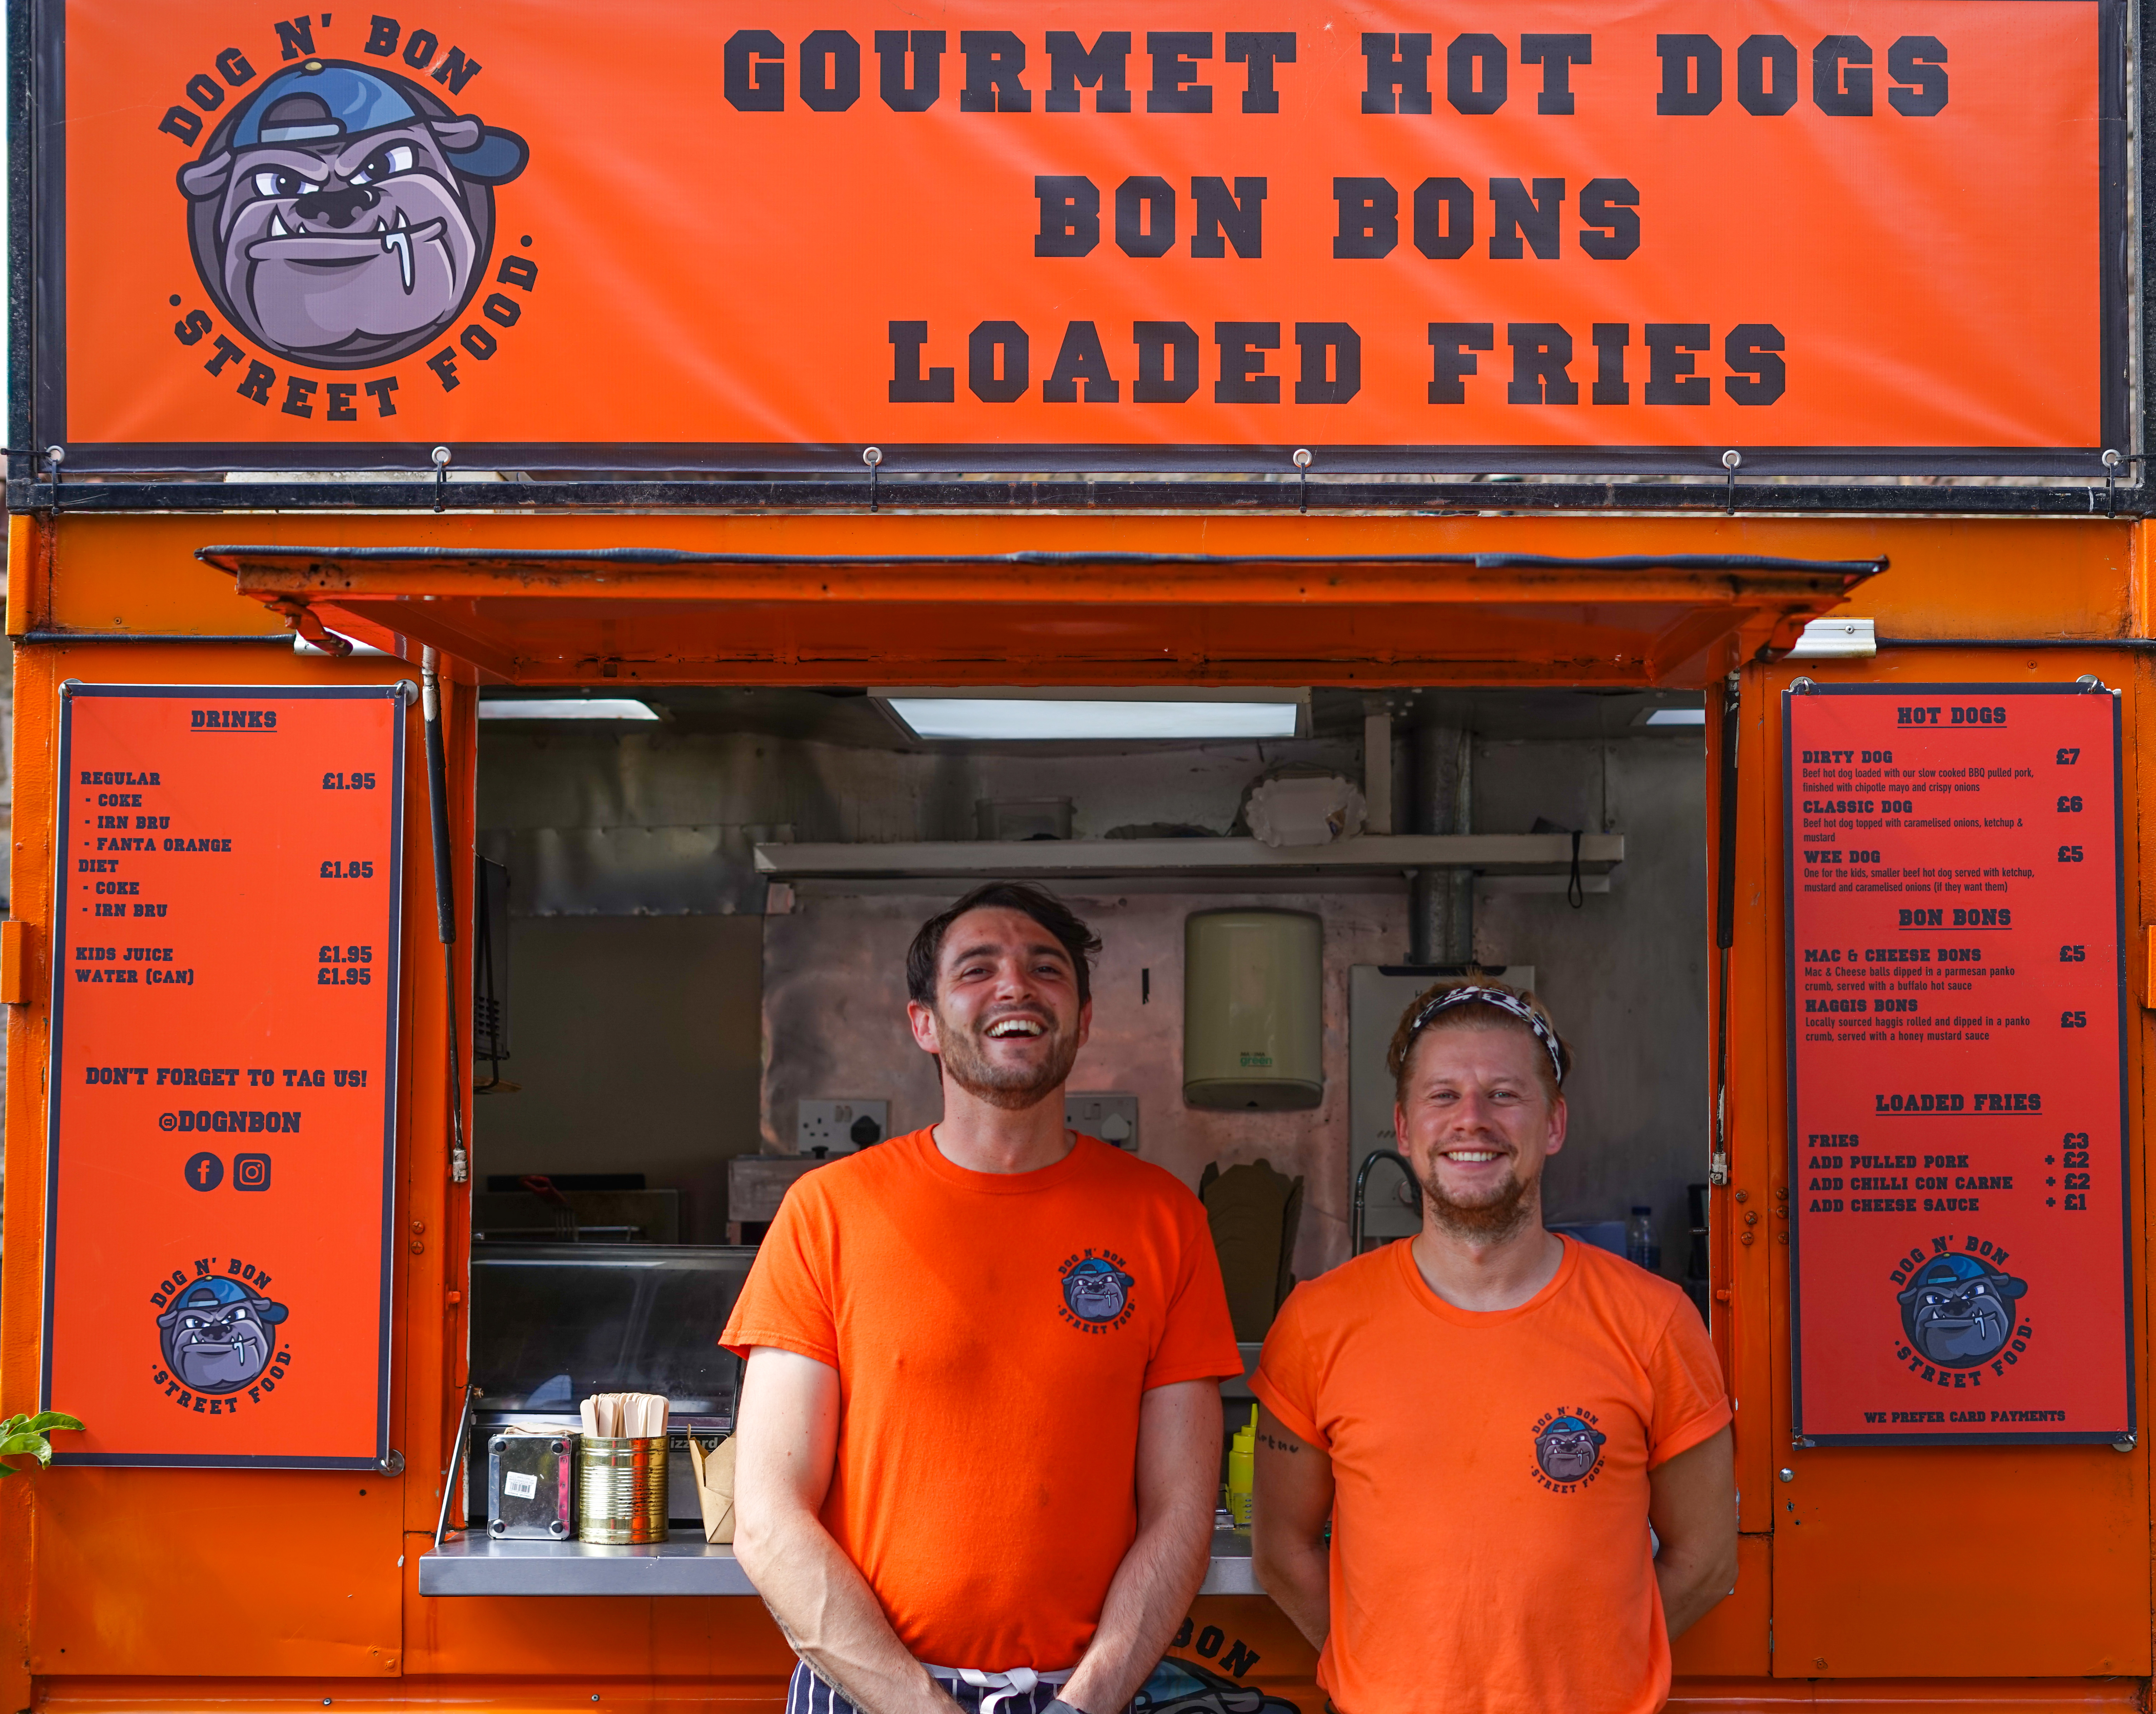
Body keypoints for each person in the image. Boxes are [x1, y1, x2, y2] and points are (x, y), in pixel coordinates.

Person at [725, 881, 1243, 1714]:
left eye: (1046, 968)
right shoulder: (826, 1212)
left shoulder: (1164, 1219)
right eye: (976, 969)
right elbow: (768, 1518)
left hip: (1086, 1696)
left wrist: (1082, 1705)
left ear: (1082, 1019)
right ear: (923, 1023)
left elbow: (1179, 1514)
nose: (1015, 987)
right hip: (870, 1692)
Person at [1251, 980, 1737, 1714]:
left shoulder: (1654, 1321)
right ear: (1404, 1128)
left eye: (1503, 1095)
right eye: (1442, 1096)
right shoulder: (1317, 1323)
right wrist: (1381, 1672)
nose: (1471, 1119)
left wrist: (1592, 1673)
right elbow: (1281, 1551)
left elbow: (1705, 1559)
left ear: (1553, 1124)